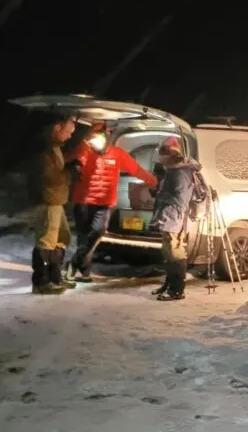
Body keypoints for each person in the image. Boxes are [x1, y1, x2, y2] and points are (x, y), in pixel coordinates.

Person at [64, 122, 157, 282]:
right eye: (91, 138)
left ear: (106, 137)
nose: (94, 142)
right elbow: (67, 160)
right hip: (83, 201)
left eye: (97, 138)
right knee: (84, 237)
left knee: (97, 233)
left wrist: (153, 181)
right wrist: (82, 147)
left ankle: (72, 264)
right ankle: (84, 272)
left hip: (105, 203)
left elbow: (135, 169)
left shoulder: (117, 154)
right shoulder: (84, 151)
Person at [28, 112, 78, 294]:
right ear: (57, 128)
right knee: (46, 241)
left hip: (56, 200)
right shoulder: (44, 149)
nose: (70, 135)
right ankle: (41, 281)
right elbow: (49, 177)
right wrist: (70, 172)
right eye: (69, 131)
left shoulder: (54, 147)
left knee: (63, 237)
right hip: (47, 200)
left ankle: (55, 276)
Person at [149, 136, 202, 301]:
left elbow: (180, 198)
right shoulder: (173, 170)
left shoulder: (180, 171)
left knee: (175, 251)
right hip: (169, 215)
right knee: (168, 251)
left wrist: (161, 195)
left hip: (175, 216)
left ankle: (177, 290)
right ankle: (169, 283)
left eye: (163, 153)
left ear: (171, 154)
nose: (160, 157)